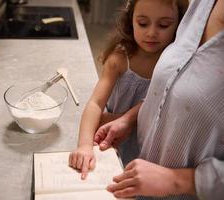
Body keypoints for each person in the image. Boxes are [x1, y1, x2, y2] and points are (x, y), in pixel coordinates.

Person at [94, 0, 224, 199]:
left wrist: (177, 180)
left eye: (163, 25)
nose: (152, 33)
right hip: (139, 179)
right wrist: (129, 119)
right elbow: (173, 88)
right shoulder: (201, 4)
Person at [69, 0, 189, 180]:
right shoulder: (120, 58)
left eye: (164, 25)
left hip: (151, 144)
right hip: (114, 137)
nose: (151, 33)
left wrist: (120, 118)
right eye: (142, 23)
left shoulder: (177, 62)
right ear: (130, 19)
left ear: (179, 24)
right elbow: (95, 103)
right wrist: (85, 145)